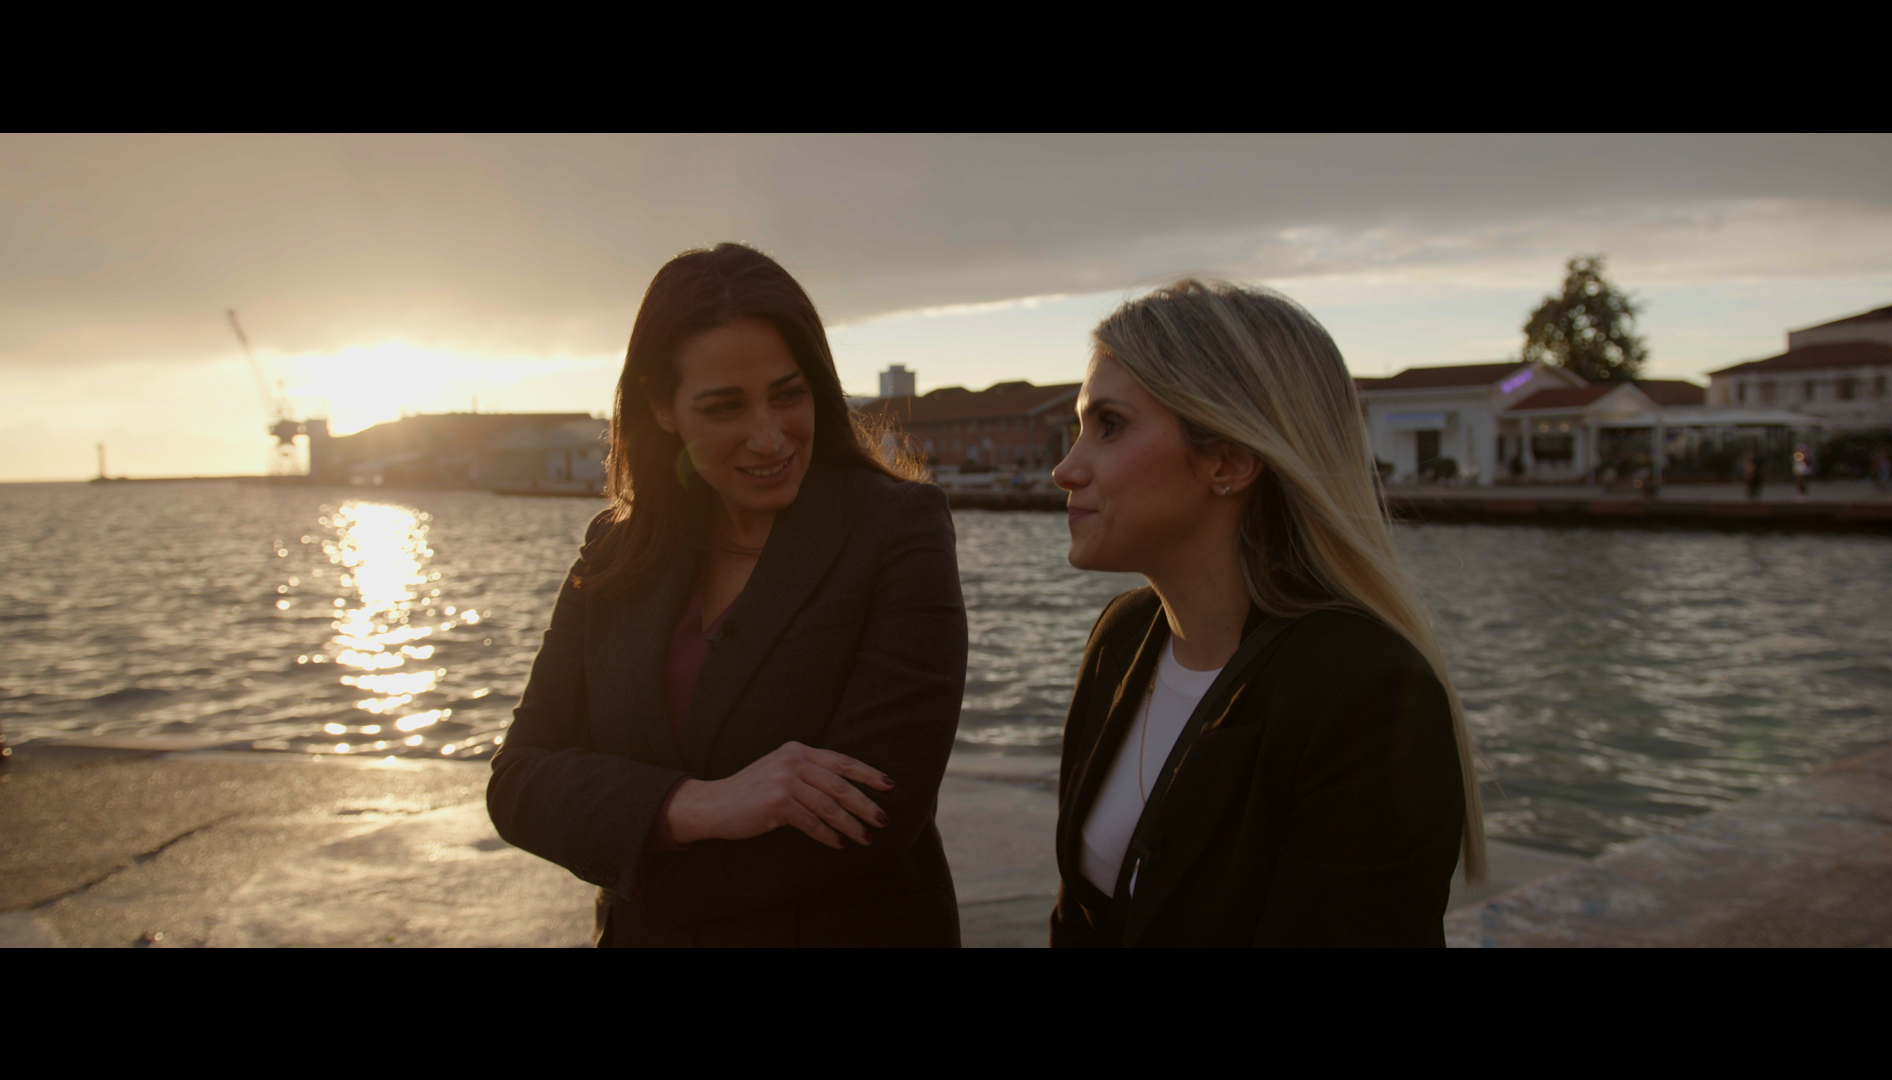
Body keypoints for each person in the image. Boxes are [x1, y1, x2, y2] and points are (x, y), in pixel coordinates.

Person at [489, 243, 968, 947]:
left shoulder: (898, 530)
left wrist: (642, 858)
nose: (769, 438)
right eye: (724, 407)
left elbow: (873, 814)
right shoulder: (615, 550)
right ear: (661, 406)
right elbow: (518, 782)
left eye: (789, 394)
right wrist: (698, 805)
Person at [1048, 281, 1483, 948]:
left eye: (1110, 426)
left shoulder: (1363, 696)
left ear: (1229, 461)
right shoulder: (1123, 637)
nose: (1065, 469)